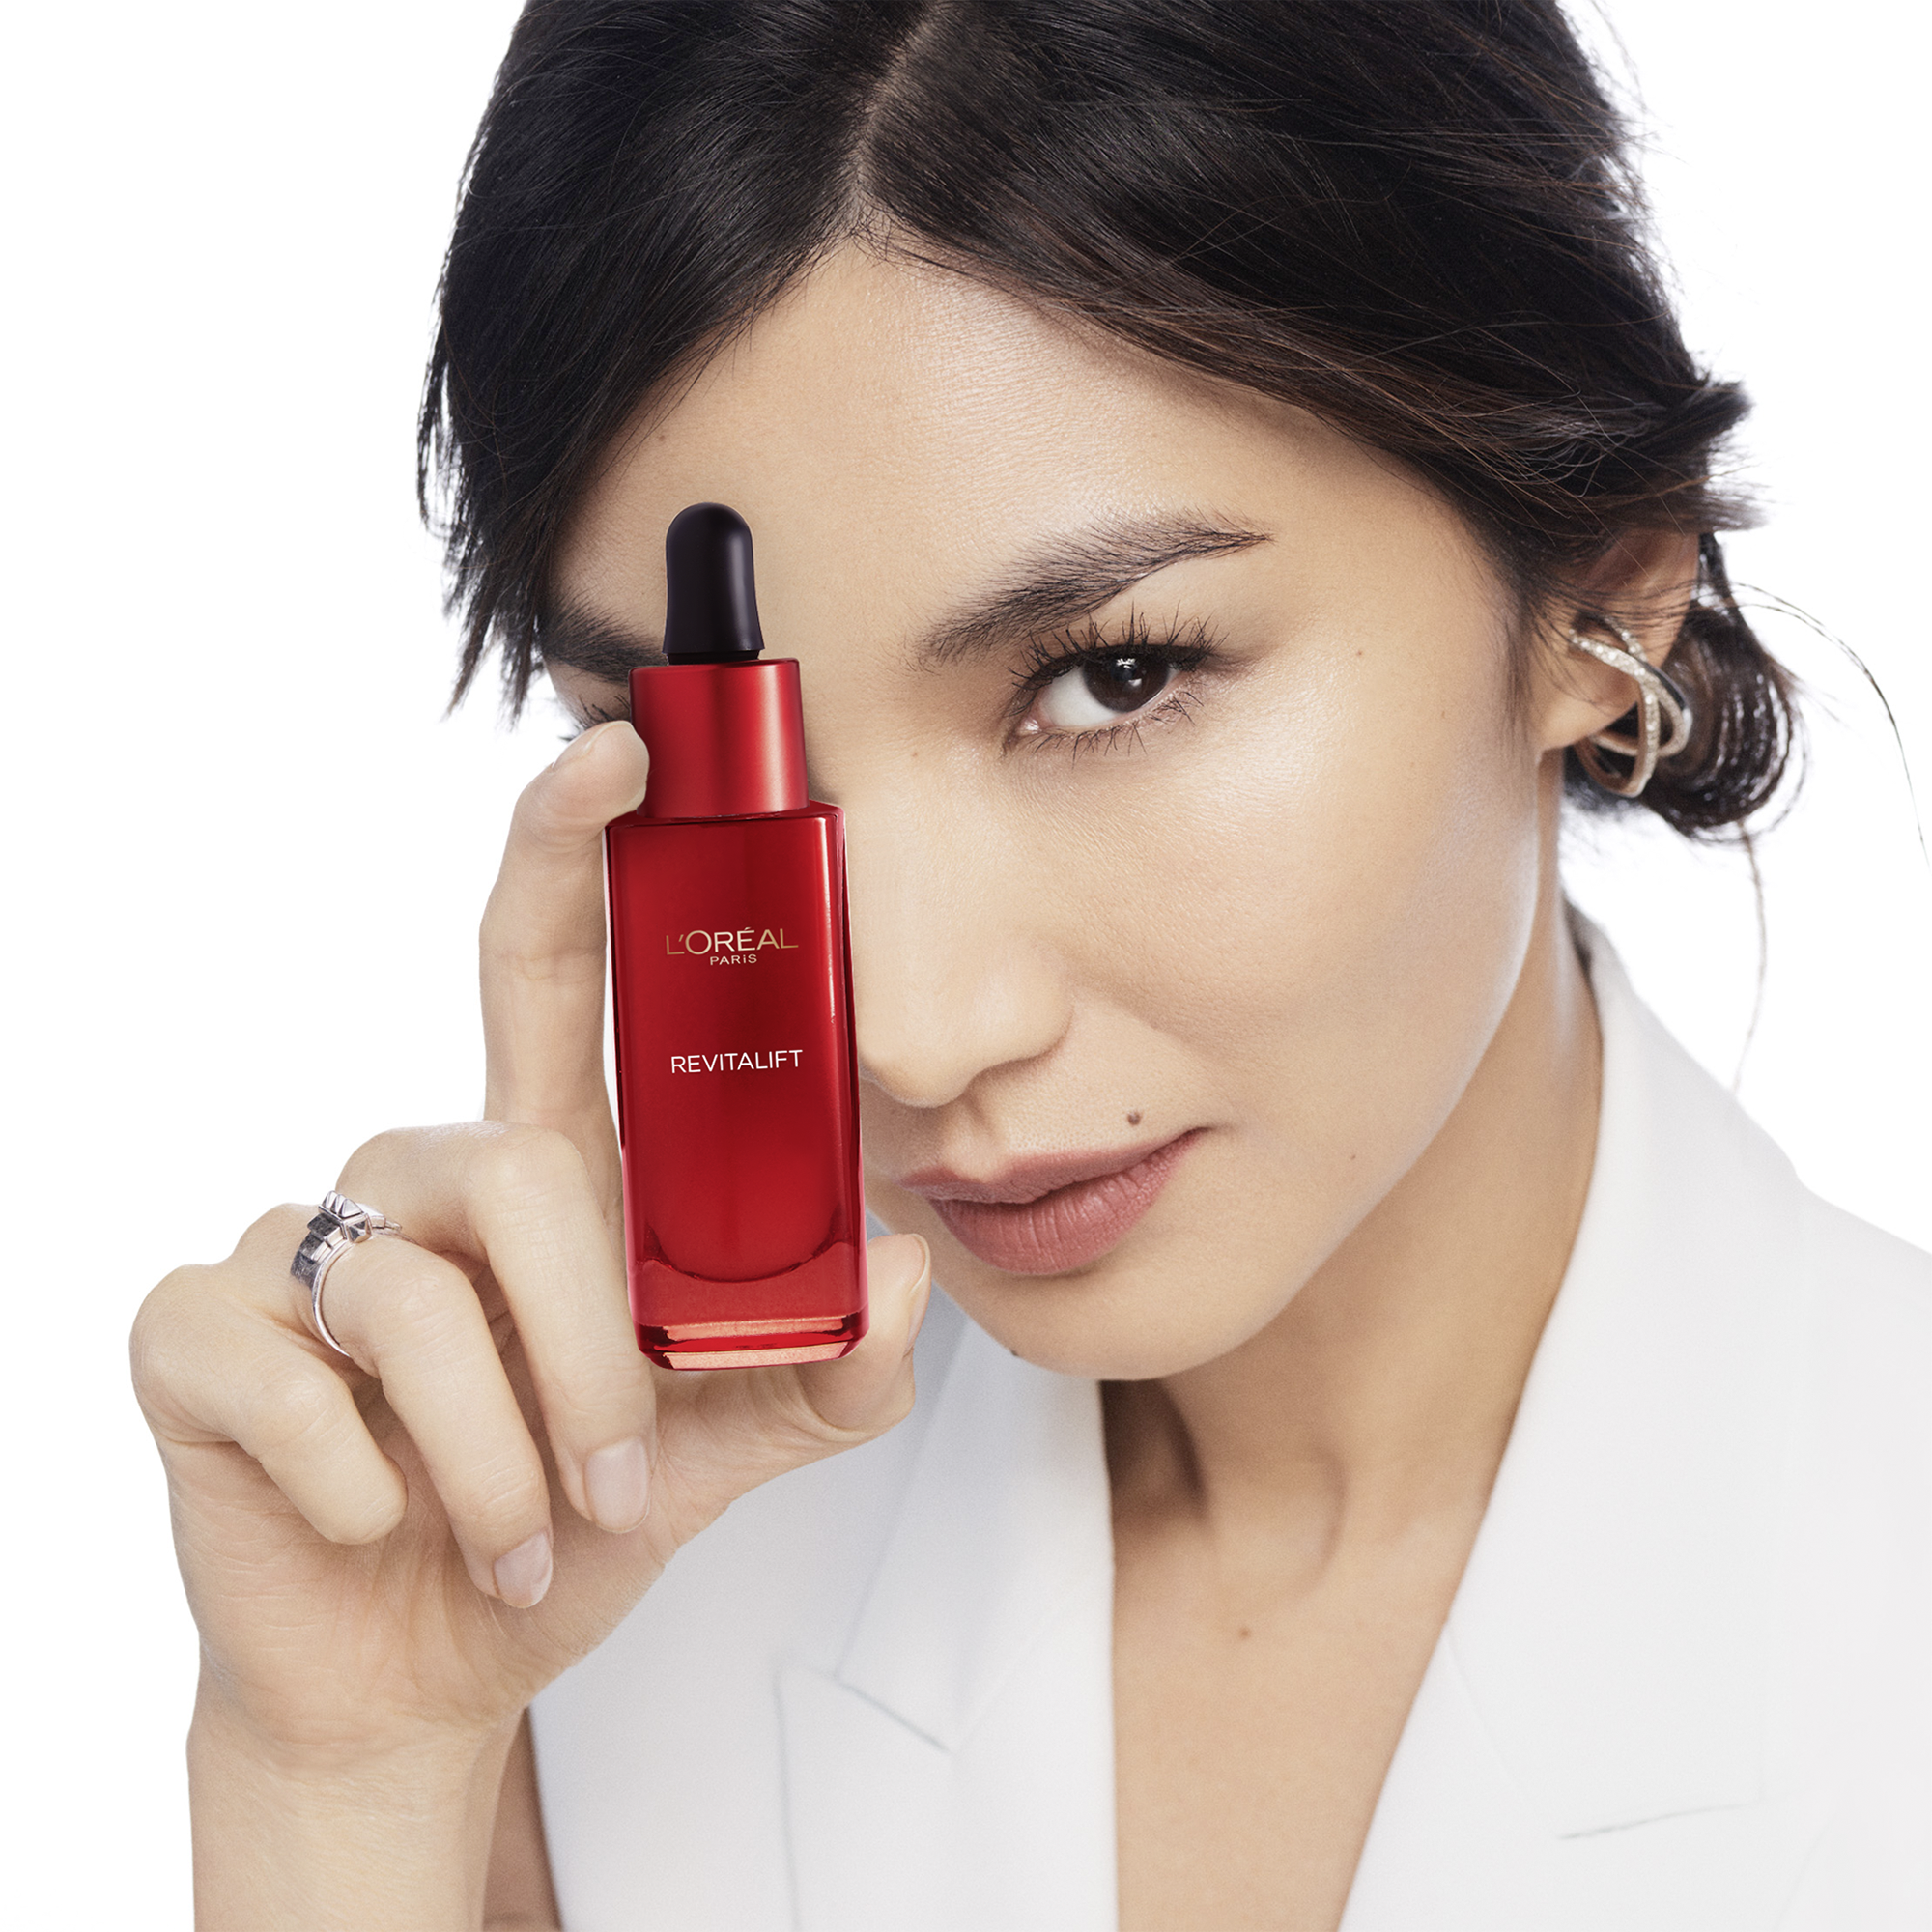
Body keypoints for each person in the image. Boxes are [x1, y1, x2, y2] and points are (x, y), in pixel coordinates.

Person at [131, 3, 1929, 1927]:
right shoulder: (571, 1631)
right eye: (707, 765)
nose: (909, 1033)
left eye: (1114, 677)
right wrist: (337, 1776)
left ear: (1601, 591)